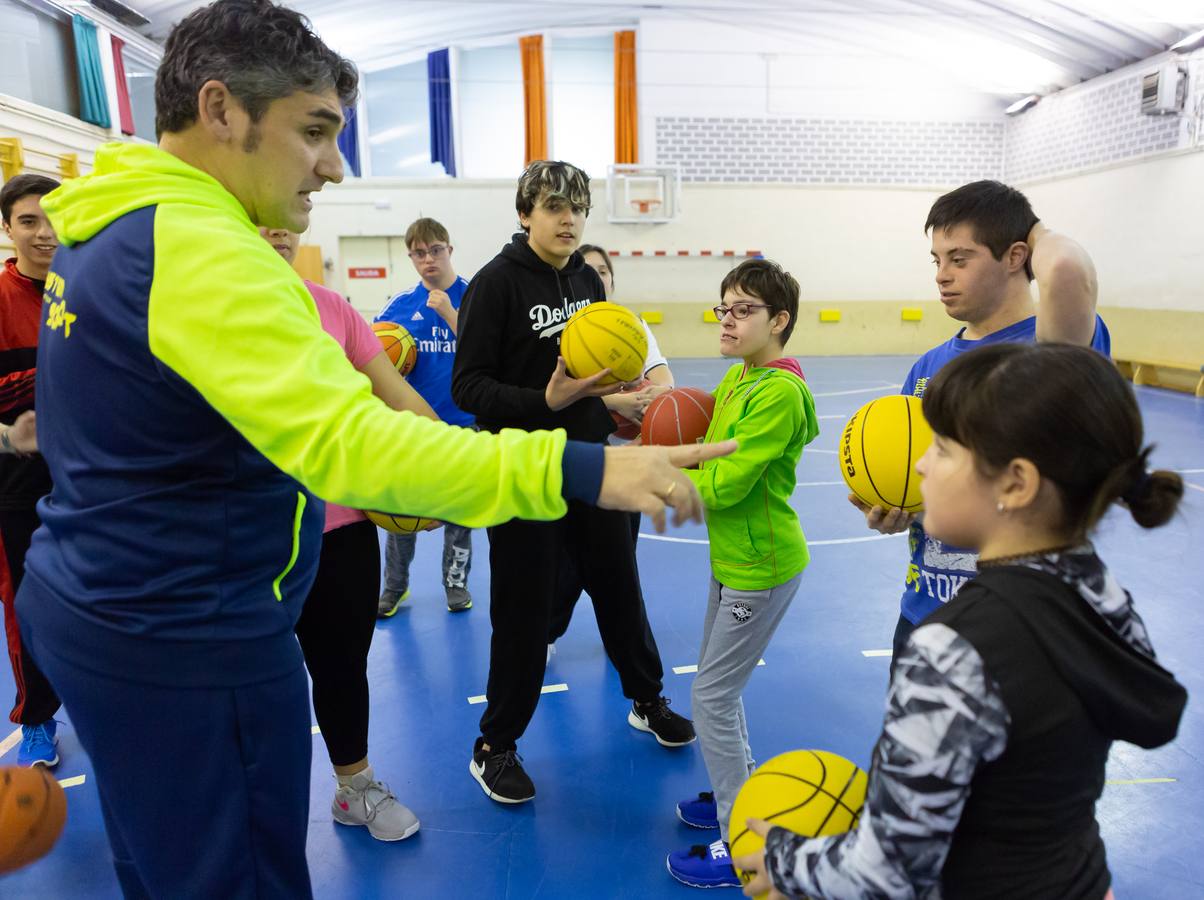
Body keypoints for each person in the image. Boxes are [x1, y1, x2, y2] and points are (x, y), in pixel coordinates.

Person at [16, 3, 727, 897]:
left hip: (96, 604)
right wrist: (587, 466)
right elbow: (349, 447)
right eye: (314, 131)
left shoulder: (105, 221)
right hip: (186, 634)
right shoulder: (199, 250)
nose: (333, 166)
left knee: (163, 869)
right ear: (221, 109)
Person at [734, 341, 1187, 899]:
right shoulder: (1103, 593)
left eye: (943, 449)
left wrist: (783, 860)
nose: (921, 463)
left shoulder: (953, 649)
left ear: (1016, 484)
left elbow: (886, 873)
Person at [452, 159, 696, 806]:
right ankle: (494, 746)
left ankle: (647, 701)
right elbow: (468, 388)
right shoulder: (494, 285)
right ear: (525, 212)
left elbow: (595, 373)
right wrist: (547, 401)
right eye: (555, 207)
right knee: (524, 613)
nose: (569, 219)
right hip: (525, 470)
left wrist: (617, 400)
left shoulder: (587, 280)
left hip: (593, 462)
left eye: (578, 208)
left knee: (620, 589)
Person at [849, 181, 1111, 668]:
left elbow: (1069, 269)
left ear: (1016, 257)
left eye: (960, 258)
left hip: (1022, 623)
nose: (942, 275)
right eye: (937, 260)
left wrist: (1032, 230)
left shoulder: (1051, 347)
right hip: (925, 615)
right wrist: (897, 506)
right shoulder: (928, 366)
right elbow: (918, 478)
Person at [263, 226, 435, 840]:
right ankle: (251, 802)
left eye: (288, 214)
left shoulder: (332, 308)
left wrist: (448, 459)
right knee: (254, 683)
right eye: (261, 214)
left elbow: (397, 395)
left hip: (341, 527)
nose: (278, 227)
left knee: (342, 667)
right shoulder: (210, 311)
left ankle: (354, 787)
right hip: (251, 533)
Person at [664, 259, 820, 889]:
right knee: (715, 690)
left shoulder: (778, 393)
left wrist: (659, 474)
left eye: (743, 310)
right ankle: (746, 795)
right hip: (732, 562)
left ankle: (743, 841)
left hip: (762, 567)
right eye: (722, 307)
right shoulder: (743, 377)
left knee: (711, 698)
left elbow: (725, 483)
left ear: (778, 320)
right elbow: (704, 432)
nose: (726, 320)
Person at [546, 242, 674, 654]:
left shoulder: (629, 326)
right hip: (577, 455)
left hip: (625, 457)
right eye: (590, 270)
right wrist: (614, 402)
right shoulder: (562, 332)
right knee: (569, 562)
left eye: (604, 271)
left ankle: (622, 641)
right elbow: (557, 402)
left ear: (612, 280)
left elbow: (664, 381)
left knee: (620, 559)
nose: (597, 277)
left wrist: (646, 409)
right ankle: (549, 630)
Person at [375, 217, 475, 615]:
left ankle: (455, 584)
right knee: (403, 513)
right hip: (414, 427)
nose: (428, 259)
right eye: (419, 252)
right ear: (411, 257)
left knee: (460, 515)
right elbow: (375, 359)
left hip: (465, 424)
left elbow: (490, 353)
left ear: (449, 249)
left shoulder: (475, 296)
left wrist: (451, 312)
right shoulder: (399, 306)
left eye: (435, 250)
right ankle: (395, 587)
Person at [0, 173, 62, 768]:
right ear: (8, 228)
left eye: (52, 217)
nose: (44, 233)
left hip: (97, 482)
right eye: (28, 221)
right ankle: (38, 716)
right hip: (18, 492)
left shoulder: (92, 291)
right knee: (26, 608)